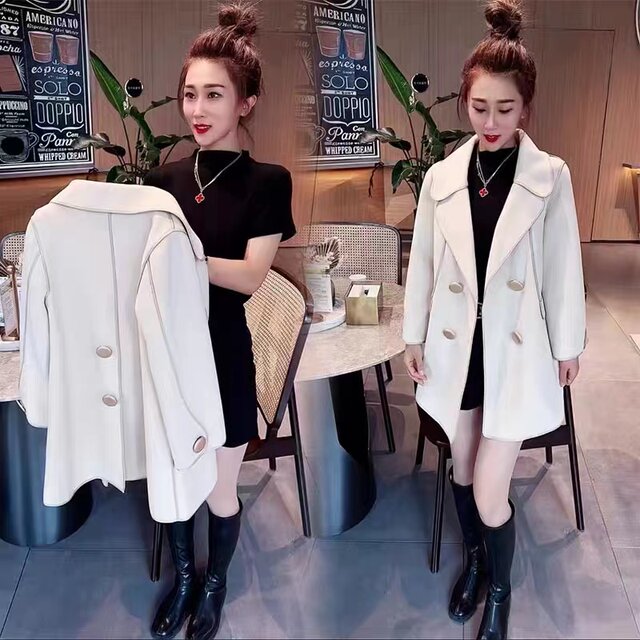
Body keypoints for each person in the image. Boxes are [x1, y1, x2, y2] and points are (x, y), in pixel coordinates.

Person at [402, 1, 586, 638]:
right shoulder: (441, 177)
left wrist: (567, 345)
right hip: (458, 350)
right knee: (460, 469)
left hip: (516, 352)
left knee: (487, 487)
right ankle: (478, 561)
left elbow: (564, 267)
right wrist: (414, 335)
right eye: (479, 107)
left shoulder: (549, 177)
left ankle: (501, 593)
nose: (490, 122)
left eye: (505, 109)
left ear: (525, 108)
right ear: (465, 101)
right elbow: (424, 263)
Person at [144, 3, 296, 639]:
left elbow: (251, 276)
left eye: (214, 95)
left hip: (226, 351)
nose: (197, 110)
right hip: (170, 350)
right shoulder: (162, 180)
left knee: (218, 488)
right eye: (190, 94)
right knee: (178, 476)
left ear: (246, 102)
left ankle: (215, 583)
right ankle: (185, 578)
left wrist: (183, 256)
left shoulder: (268, 182)